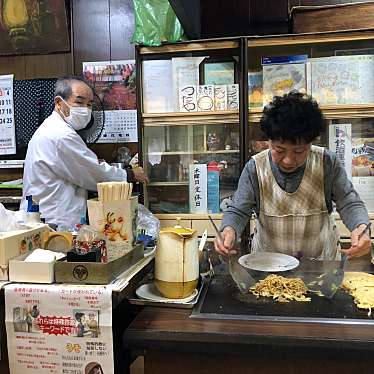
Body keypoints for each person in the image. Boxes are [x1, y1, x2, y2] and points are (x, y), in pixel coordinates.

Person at [215, 91, 371, 260]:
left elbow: (348, 201)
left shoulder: (327, 162)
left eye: (299, 151)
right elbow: (239, 210)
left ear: (311, 143)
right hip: (268, 265)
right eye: (279, 150)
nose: (288, 160)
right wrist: (228, 230)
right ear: (268, 141)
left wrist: (360, 227)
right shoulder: (255, 168)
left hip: (320, 264)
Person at [22, 76, 147, 228]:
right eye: (79, 102)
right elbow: (93, 173)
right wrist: (130, 175)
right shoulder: (61, 135)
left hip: (47, 215)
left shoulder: (53, 128)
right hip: (54, 220)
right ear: (59, 102)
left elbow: (82, 167)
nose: (85, 110)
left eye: (89, 105)